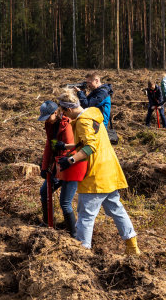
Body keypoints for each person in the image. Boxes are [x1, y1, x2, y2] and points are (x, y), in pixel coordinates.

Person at [53, 88, 139, 254]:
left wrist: (70, 160)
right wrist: (67, 146)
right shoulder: (91, 114)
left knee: (86, 214)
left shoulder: (83, 122)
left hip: (96, 174)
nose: (64, 116)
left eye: (63, 112)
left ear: (69, 109)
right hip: (109, 171)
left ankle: (82, 250)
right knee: (116, 209)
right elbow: (90, 141)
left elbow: (90, 147)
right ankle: (132, 245)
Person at [37, 100, 77, 236]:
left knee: (65, 203)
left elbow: (71, 148)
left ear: (56, 112)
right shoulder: (50, 125)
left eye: (48, 117)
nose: (47, 121)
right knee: (44, 192)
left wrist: (58, 172)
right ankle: (47, 222)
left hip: (70, 165)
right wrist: (44, 166)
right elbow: (50, 145)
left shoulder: (67, 124)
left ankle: (73, 234)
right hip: (57, 164)